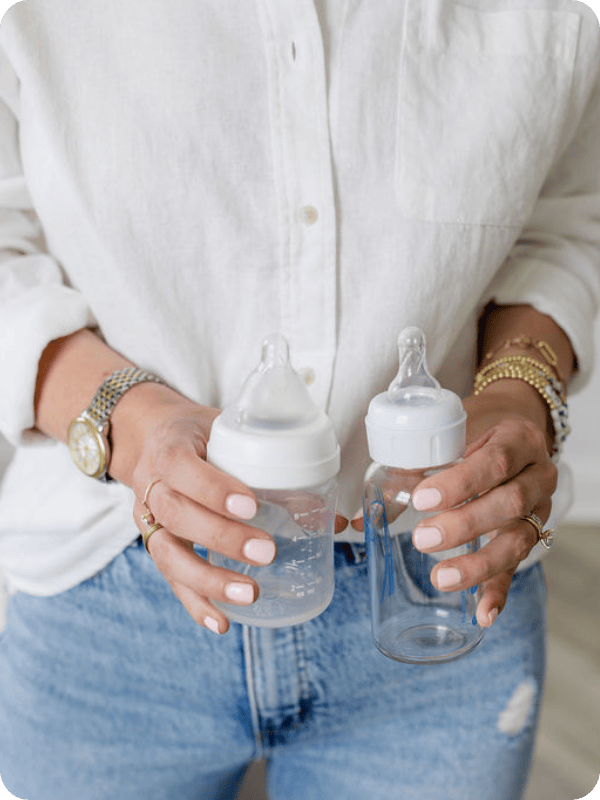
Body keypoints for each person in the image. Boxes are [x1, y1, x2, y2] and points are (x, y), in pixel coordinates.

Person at [0, 1, 598, 798]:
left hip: (446, 577)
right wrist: (134, 428)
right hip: (107, 594)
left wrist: (518, 389)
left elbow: (566, 220)